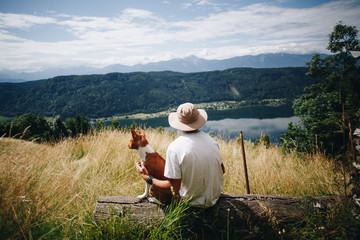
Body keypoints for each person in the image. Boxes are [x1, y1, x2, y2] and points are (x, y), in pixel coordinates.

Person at [136, 102, 225, 208]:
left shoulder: (175, 148)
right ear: (198, 119)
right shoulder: (212, 141)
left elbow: (173, 187)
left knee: (156, 193)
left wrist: (147, 178)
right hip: (215, 198)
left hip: (191, 203)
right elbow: (222, 170)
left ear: (179, 123)